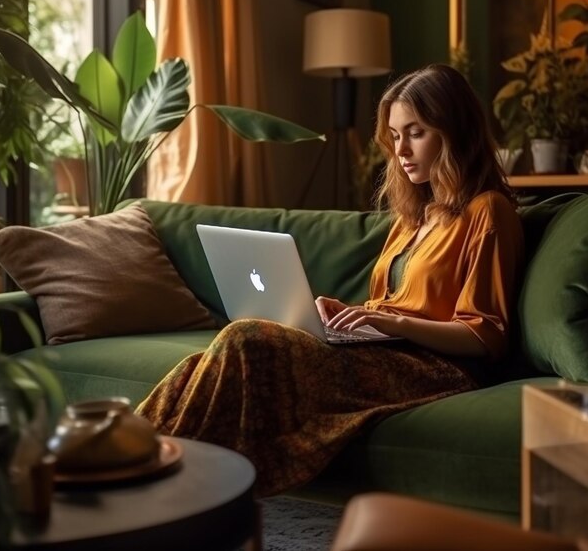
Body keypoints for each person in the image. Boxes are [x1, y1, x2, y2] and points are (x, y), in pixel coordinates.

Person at [137, 63, 524, 497]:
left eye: (415, 132)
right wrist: (350, 315)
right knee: (215, 358)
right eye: (395, 136)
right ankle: (127, 456)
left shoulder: (488, 211)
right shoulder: (414, 217)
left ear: (454, 131)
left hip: (441, 368)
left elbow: (486, 335)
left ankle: (155, 476)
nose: (401, 150)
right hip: (387, 351)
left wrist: (393, 325)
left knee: (246, 340)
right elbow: (389, 304)